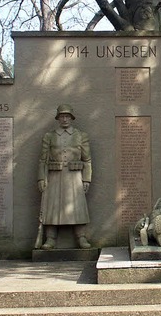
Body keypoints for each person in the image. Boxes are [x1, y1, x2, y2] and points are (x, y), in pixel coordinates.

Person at [37, 104, 92, 249]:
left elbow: (87, 160)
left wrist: (86, 179)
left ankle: (81, 238)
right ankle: (50, 239)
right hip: (54, 176)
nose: (65, 119)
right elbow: (43, 160)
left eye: (67, 116)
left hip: (75, 178)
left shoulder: (81, 136)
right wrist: (41, 178)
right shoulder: (49, 136)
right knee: (52, 208)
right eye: (62, 116)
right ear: (58, 118)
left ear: (72, 118)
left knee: (77, 208)